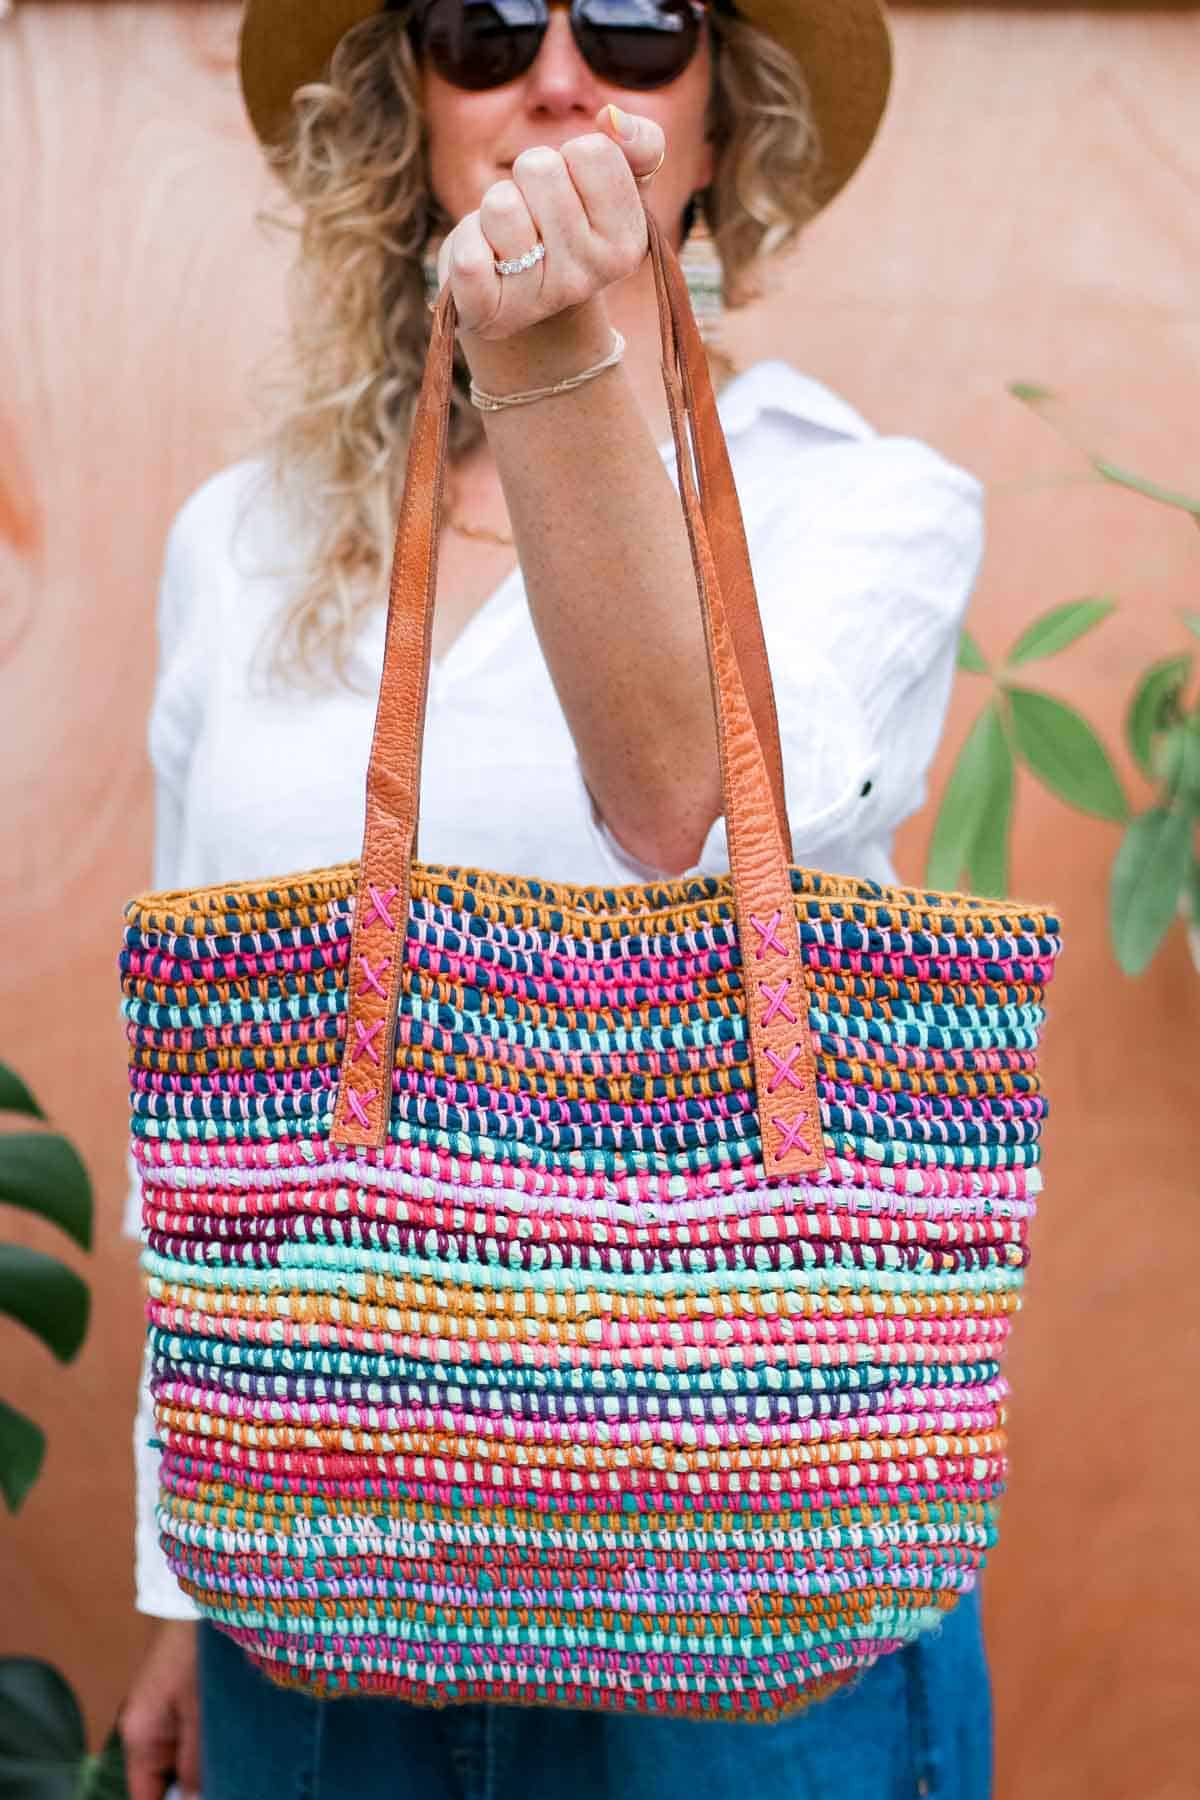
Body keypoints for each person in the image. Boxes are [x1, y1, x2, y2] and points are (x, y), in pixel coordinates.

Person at [117, 0, 993, 1794]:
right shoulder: (248, 538)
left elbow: (682, 804)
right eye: (486, 20)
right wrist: (178, 1566)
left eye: (645, 23)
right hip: (316, 1568)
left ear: (724, 123)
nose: (565, 70)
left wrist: (543, 349)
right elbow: (199, 1108)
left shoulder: (859, 504)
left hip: (758, 1588)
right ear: (403, 106)